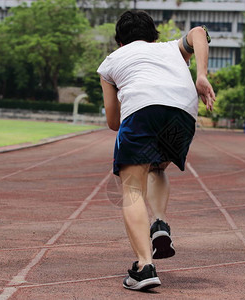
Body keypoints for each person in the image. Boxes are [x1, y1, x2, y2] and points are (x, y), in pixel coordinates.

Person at [97, 10, 215, 291]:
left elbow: (114, 122)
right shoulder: (171, 48)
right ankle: (159, 222)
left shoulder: (111, 61)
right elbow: (199, 32)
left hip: (143, 111)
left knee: (132, 188)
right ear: (153, 35)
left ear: (120, 42)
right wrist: (200, 76)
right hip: (183, 115)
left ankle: (143, 266)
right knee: (157, 165)